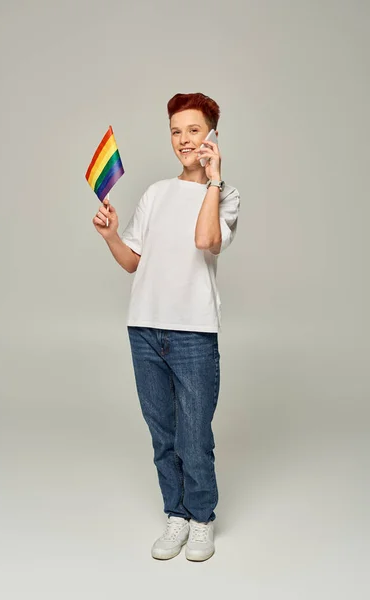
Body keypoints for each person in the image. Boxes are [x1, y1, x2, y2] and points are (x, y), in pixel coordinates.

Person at [92, 93, 241, 562]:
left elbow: (206, 240)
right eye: (176, 131)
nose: (183, 140)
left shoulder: (226, 195)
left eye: (193, 130)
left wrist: (212, 180)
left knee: (194, 436)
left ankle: (201, 519)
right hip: (144, 329)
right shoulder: (155, 193)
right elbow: (133, 263)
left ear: (212, 135)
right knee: (162, 432)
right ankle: (174, 514)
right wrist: (112, 235)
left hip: (194, 334)